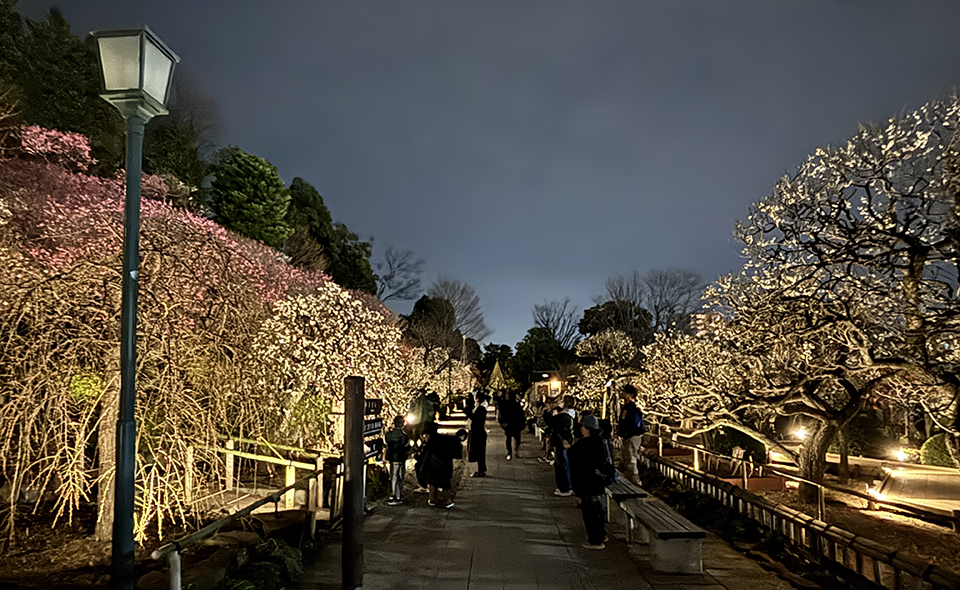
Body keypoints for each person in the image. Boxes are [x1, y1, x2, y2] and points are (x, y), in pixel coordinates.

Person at [569, 414, 608, 549]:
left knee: (591, 512)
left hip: (587, 482)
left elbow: (573, 456)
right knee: (597, 509)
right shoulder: (600, 442)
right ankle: (600, 535)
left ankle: (595, 539)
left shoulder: (585, 444)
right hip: (596, 481)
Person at [420, 422, 459, 509]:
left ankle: (432, 499)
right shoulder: (442, 439)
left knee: (432, 483)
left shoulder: (431, 443)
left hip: (435, 466)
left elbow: (425, 456)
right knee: (445, 484)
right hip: (446, 465)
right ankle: (447, 500)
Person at [617, 384, 646, 485]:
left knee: (631, 458)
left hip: (631, 435)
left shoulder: (630, 408)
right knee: (629, 458)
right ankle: (632, 480)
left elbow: (627, 422)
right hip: (632, 435)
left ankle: (635, 481)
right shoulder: (631, 408)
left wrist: (623, 432)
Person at [550, 395, 577, 496]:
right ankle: (565, 486)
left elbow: (554, 425)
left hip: (562, 443)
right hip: (565, 442)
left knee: (563, 465)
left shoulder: (564, 416)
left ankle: (566, 487)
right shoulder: (571, 414)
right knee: (563, 464)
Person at [384, 415, 410, 505]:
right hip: (400, 458)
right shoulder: (404, 436)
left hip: (391, 457)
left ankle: (395, 494)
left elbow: (386, 446)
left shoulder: (388, 435)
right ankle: (398, 496)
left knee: (393, 477)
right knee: (400, 477)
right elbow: (407, 448)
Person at [467, 392, 489, 477]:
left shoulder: (481, 409)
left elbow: (476, 419)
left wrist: (468, 413)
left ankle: (481, 470)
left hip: (478, 432)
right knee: (479, 452)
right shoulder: (478, 407)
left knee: (480, 452)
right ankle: (481, 469)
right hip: (477, 431)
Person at [498, 394, 525, 460]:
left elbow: (503, 414)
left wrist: (502, 423)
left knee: (509, 439)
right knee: (517, 439)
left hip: (509, 424)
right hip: (516, 424)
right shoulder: (517, 405)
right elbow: (521, 415)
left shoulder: (506, 405)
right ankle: (516, 451)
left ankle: (509, 453)